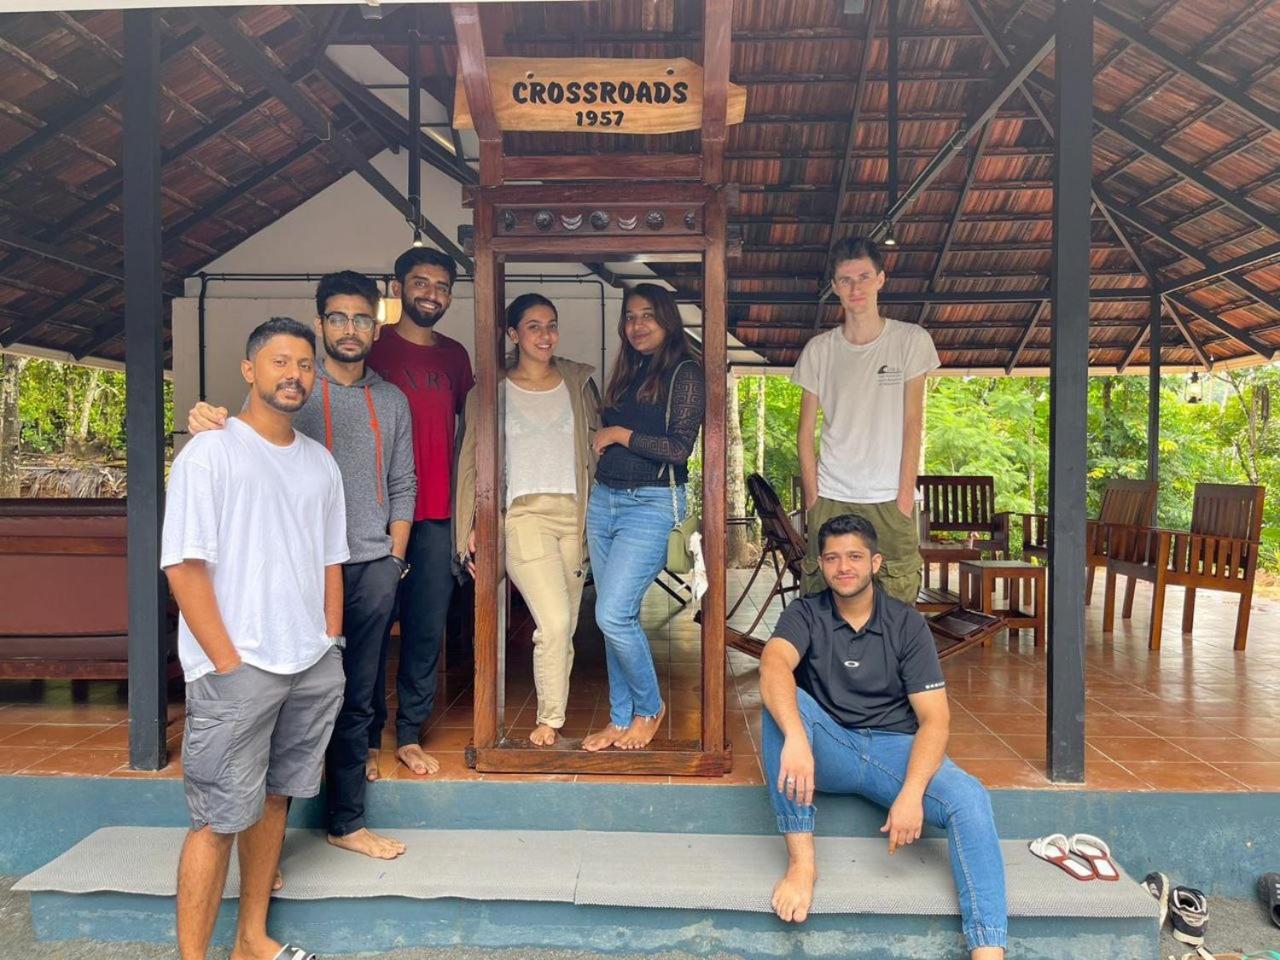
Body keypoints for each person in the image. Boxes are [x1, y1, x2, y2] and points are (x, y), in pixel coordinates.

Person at [186, 272, 416, 862]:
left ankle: (347, 821)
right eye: (338, 318)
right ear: (321, 324)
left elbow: (403, 482)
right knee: (277, 706)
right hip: (298, 574)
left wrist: (393, 559)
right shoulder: (294, 390)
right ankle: (265, 854)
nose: (350, 329)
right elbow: (244, 431)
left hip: (368, 566)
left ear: (376, 328)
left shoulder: (392, 400)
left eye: (361, 318)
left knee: (354, 696)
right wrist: (206, 417)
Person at [163, 317, 348, 960]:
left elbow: (331, 561)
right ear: (249, 370)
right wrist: (225, 661)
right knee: (217, 819)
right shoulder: (210, 453)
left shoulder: (320, 463)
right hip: (237, 668)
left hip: (308, 661)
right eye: (279, 361)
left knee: (274, 800)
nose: (294, 374)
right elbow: (183, 566)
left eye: (304, 364)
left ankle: (252, 940)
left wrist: (330, 643)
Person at [760, 513, 1006, 959]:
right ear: (821, 564)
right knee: (780, 703)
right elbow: (774, 663)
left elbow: (935, 720)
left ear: (875, 563)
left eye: (855, 556)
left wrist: (912, 792)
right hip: (831, 746)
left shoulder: (906, 624)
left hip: (896, 751)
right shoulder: (805, 613)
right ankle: (802, 864)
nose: (844, 567)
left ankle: (988, 949)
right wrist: (796, 736)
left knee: (969, 798)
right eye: (832, 558)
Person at [455, 293, 600, 746]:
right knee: (553, 623)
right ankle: (550, 718)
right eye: (533, 326)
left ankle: (553, 712)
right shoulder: (490, 391)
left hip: (574, 516)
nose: (545, 335)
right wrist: (470, 524)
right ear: (513, 334)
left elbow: (596, 450)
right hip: (523, 516)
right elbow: (471, 461)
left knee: (566, 626)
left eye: (551, 324)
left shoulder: (578, 384)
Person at [365, 246, 474, 777]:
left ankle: (408, 734)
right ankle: (365, 737)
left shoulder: (455, 357)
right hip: (374, 515)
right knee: (369, 629)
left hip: (436, 514)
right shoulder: (371, 347)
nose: (432, 294)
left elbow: (473, 432)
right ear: (398, 287)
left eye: (442, 286)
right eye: (421, 283)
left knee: (426, 629)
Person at [581, 283, 704, 753]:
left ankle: (649, 709)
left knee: (612, 614)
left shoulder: (686, 371)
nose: (637, 325)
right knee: (616, 615)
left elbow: (678, 448)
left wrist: (618, 433)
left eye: (648, 315)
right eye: (630, 317)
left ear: (667, 319)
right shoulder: (630, 372)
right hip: (604, 501)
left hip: (650, 504)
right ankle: (619, 718)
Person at [794, 236, 940, 604]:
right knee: (823, 605)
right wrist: (813, 498)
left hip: (890, 498)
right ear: (835, 286)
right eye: (845, 280)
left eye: (863, 277)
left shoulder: (910, 340)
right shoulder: (819, 350)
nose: (855, 288)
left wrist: (904, 497)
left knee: (896, 604)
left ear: (880, 279)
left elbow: (913, 423)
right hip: (831, 495)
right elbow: (804, 432)